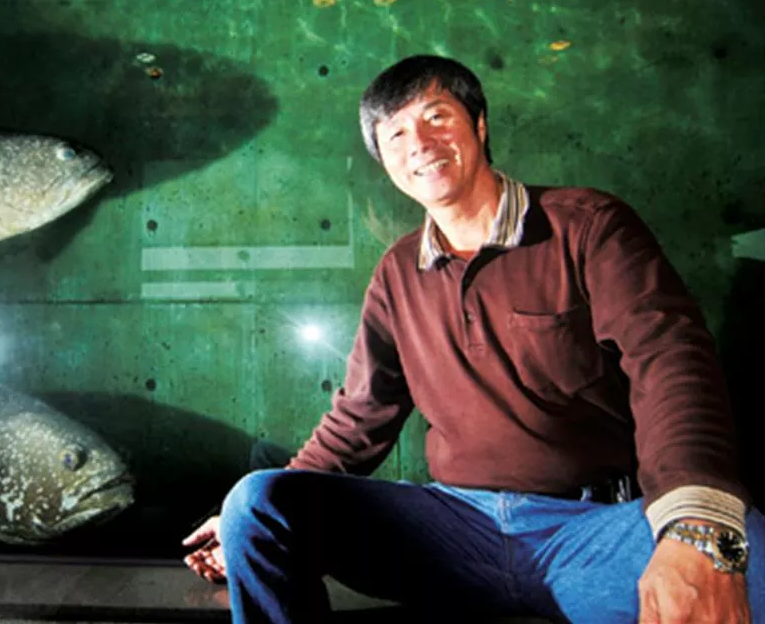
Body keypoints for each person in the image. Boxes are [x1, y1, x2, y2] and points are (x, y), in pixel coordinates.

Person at [181, 54, 763, 623]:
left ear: (480, 125)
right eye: (396, 133)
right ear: (385, 162)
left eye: (437, 116)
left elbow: (671, 363)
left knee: (749, 556)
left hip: (592, 534)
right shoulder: (397, 272)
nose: (419, 142)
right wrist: (241, 527)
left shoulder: (588, 226)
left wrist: (695, 527)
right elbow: (358, 418)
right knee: (257, 502)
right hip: (455, 536)